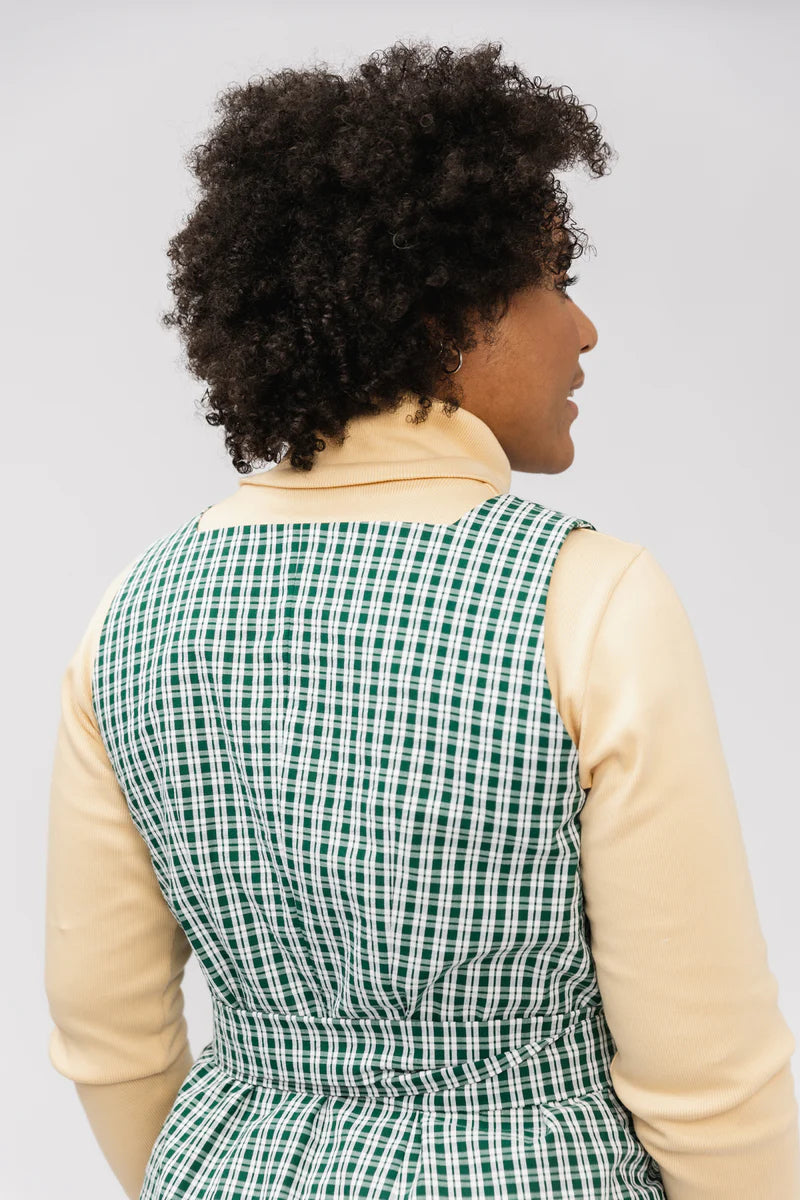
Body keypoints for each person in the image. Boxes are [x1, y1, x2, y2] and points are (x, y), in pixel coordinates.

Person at [44, 38, 800, 1200]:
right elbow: (705, 1077)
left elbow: (108, 1033)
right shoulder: (584, 599)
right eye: (553, 279)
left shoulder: (135, 612)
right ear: (446, 309)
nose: (583, 330)